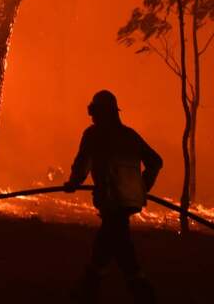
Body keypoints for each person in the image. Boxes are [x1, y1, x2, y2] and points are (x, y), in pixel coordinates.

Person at [63, 90, 163, 304]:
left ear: (102, 112)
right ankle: (87, 292)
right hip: (128, 202)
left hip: (112, 201)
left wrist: (73, 183)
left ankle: (138, 295)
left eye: (95, 112)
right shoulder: (130, 136)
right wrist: (142, 187)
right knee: (112, 247)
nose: (92, 117)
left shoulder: (94, 135)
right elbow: (156, 161)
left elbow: (82, 166)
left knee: (117, 252)